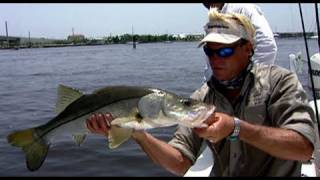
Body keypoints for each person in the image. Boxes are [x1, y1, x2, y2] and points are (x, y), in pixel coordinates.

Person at [86, 9, 316, 176]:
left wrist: (236, 128)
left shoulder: (280, 81)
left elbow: (304, 148)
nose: (214, 58)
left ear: (248, 49)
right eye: (209, 50)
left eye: (224, 51)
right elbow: (179, 162)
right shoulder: (201, 99)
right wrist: (137, 133)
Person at [202, 3, 278, 82]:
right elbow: (209, 65)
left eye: (225, 52)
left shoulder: (244, 8)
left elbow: (266, 44)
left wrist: (246, 80)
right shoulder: (213, 20)